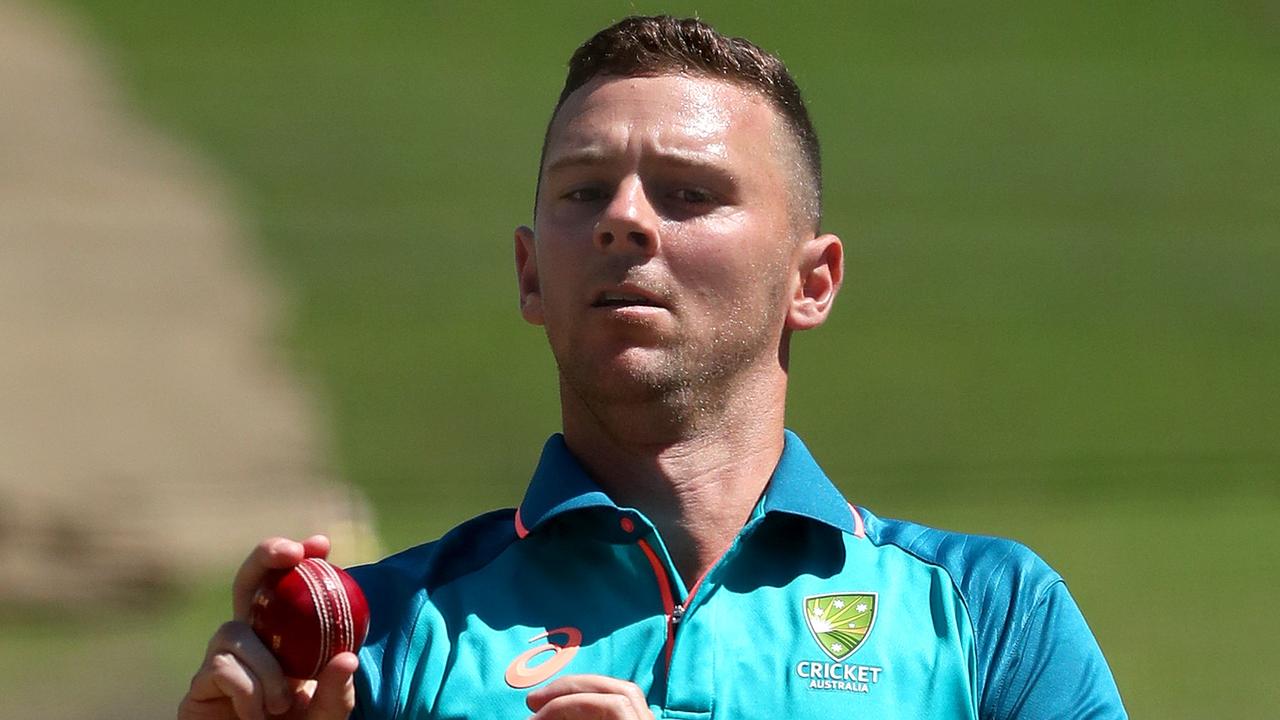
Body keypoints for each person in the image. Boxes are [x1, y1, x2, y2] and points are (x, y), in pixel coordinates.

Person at [179, 15, 1126, 720]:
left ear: (813, 282)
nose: (623, 219)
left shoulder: (993, 618)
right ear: (530, 274)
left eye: (688, 193)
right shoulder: (383, 640)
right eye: (585, 191)